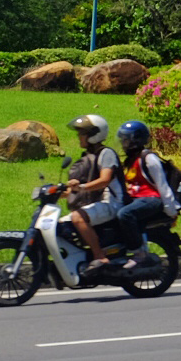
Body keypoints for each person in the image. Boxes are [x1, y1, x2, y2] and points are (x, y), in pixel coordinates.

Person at [112, 120, 180, 264]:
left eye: (126, 140)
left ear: (136, 140)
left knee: (125, 214)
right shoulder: (131, 160)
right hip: (136, 200)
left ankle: (139, 253)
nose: (123, 144)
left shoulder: (148, 158)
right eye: (122, 140)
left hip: (151, 199)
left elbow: (162, 185)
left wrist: (171, 210)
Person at [63, 114, 124, 271]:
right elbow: (81, 185)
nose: (78, 137)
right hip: (101, 202)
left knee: (77, 217)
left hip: (113, 203)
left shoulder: (106, 154)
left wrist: (81, 187)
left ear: (93, 135)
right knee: (60, 225)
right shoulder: (90, 156)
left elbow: (104, 180)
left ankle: (99, 256)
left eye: (82, 133)